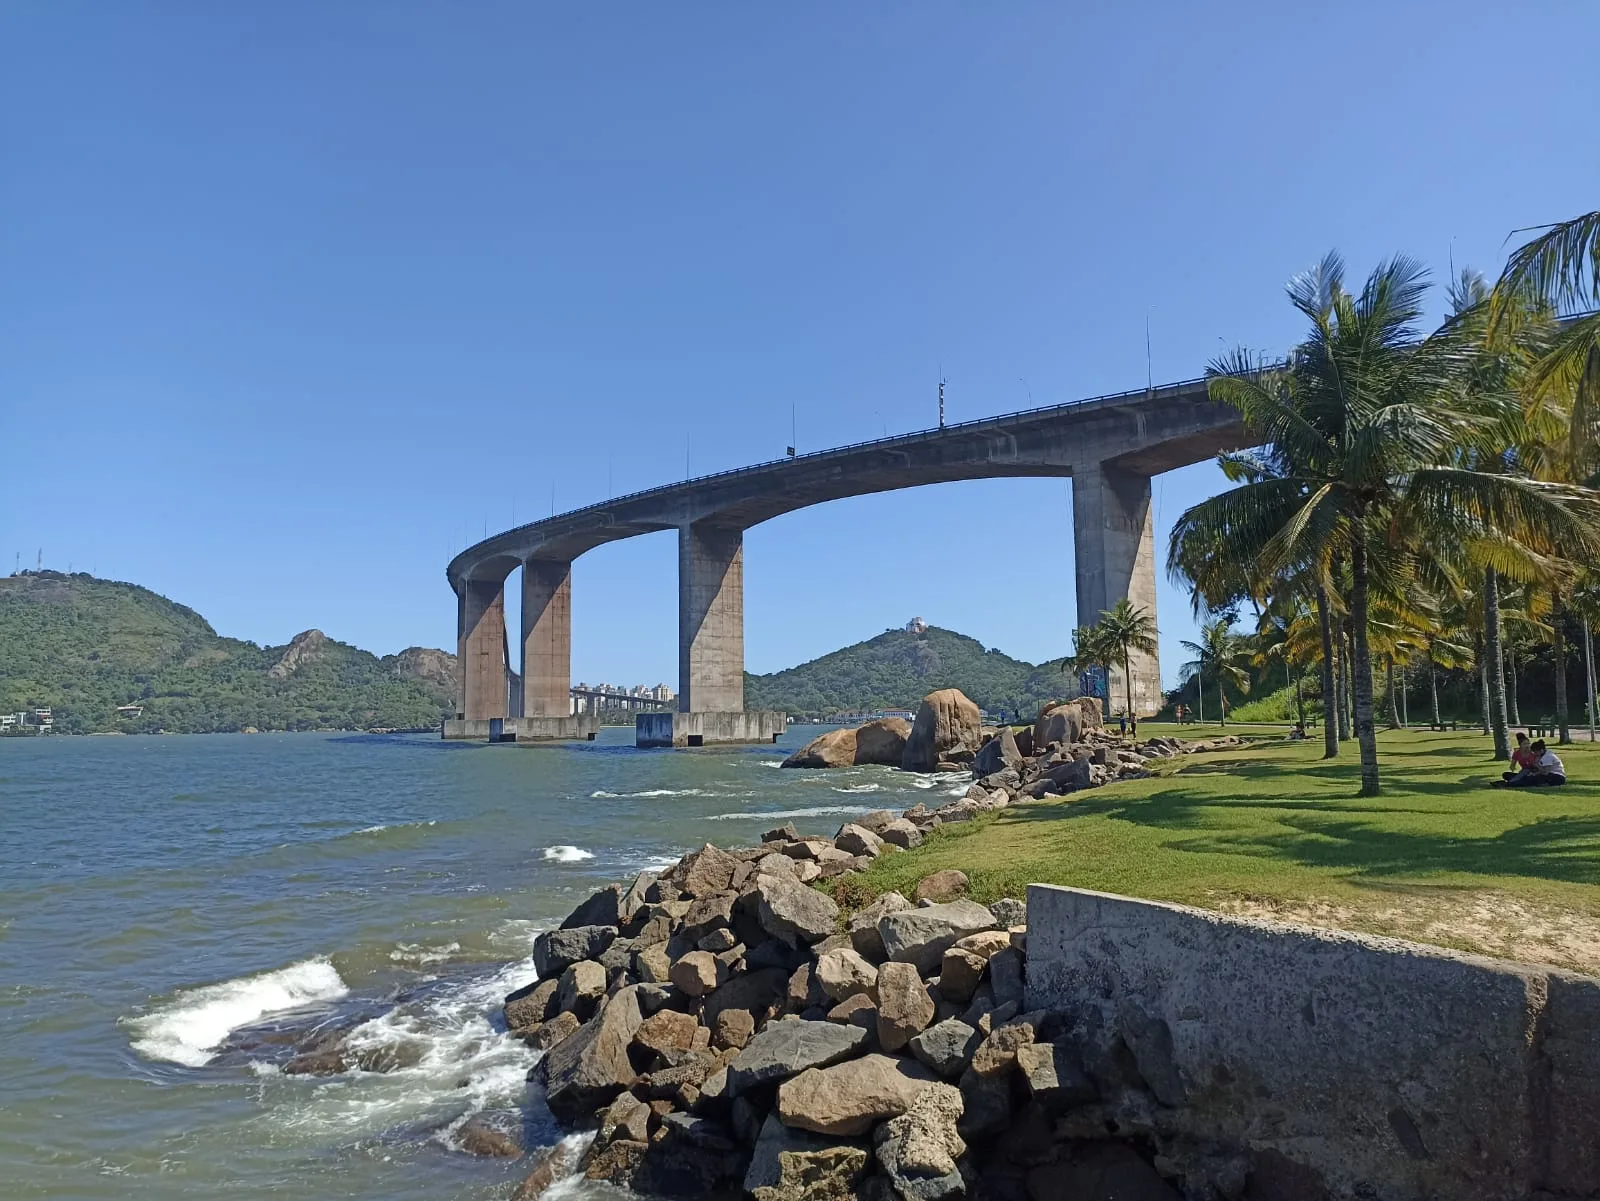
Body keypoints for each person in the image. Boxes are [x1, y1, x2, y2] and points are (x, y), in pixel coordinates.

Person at [1496, 739, 1567, 788]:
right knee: (1508, 775)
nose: (1535, 754)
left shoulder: (1548, 756)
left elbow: (1545, 772)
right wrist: (1533, 773)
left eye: (1536, 752)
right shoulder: (1541, 756)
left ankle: (1509, 784)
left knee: (1530, 779)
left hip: (1556, 777)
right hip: (1546, 775)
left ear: (1541, 750)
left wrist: (1536, 766)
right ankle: (1514, 781)